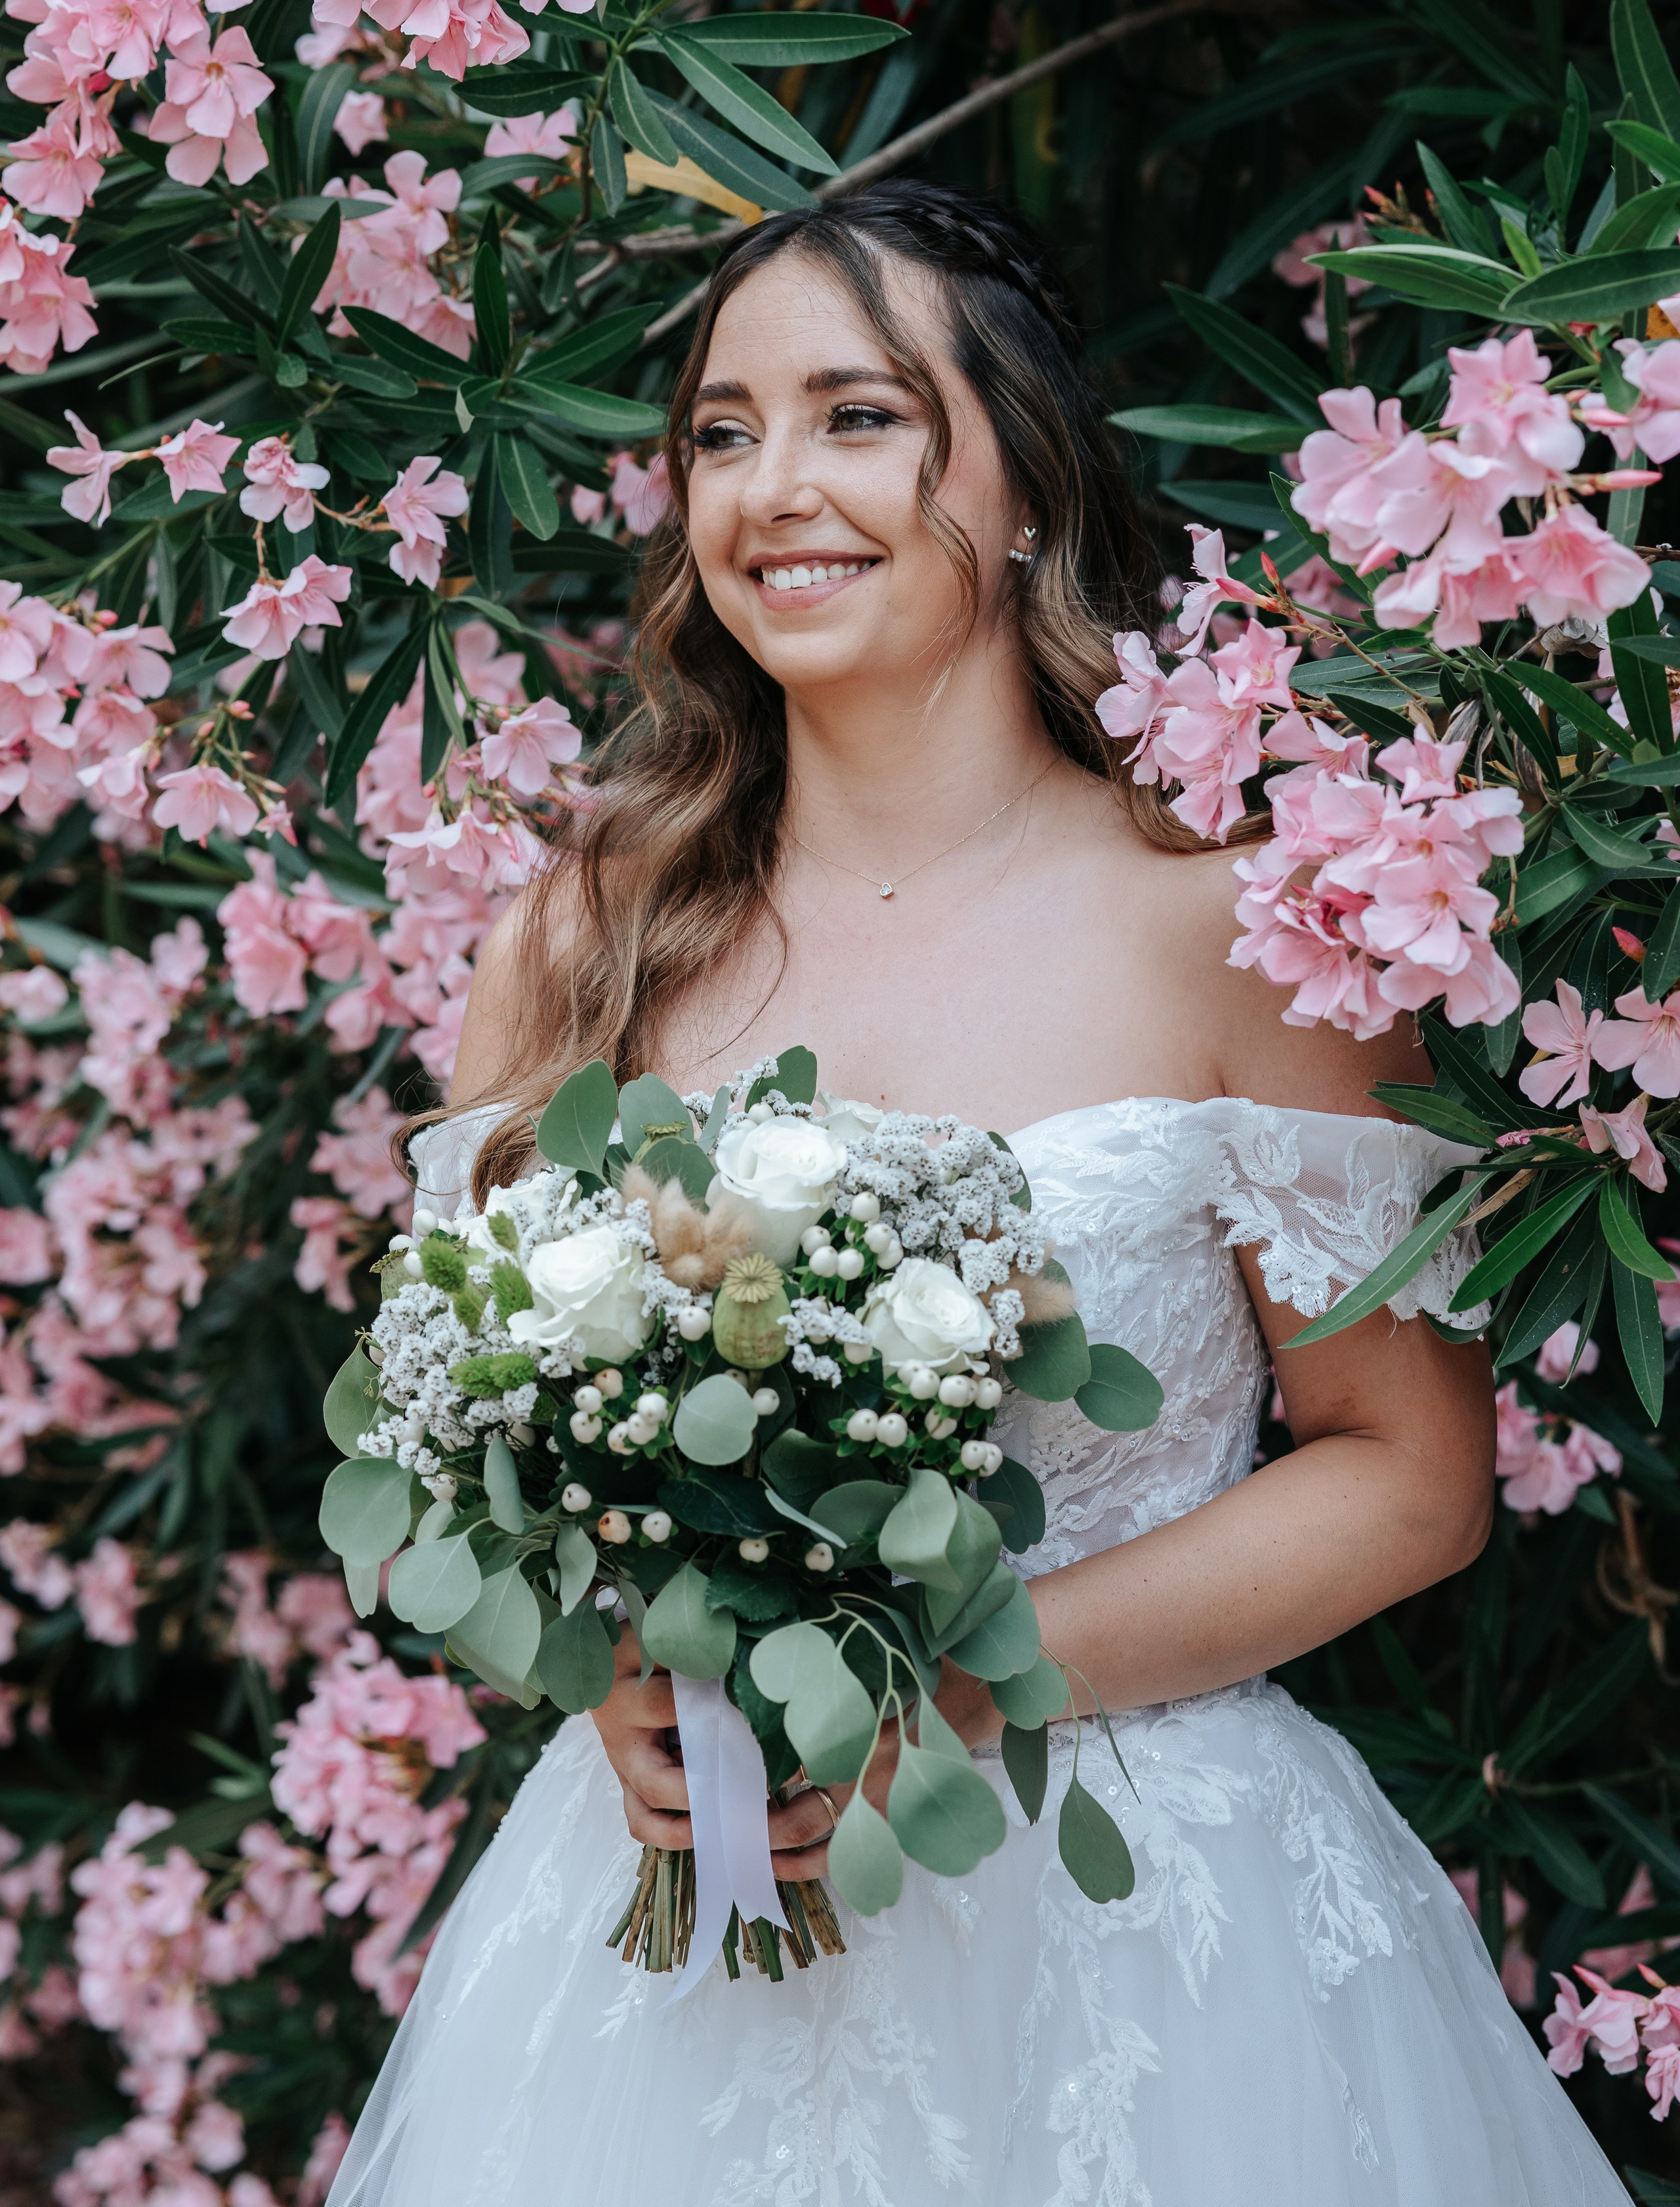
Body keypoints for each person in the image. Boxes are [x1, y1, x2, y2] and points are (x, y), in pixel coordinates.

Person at [328, 181, 1623, 2205]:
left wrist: (938, 1689)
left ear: (1026, 483)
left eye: (859, 416)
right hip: (680, 1943)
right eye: (723, 432)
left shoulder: (1238, 926)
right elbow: (461, 1456)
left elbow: (1409, 1475)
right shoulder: (588, 942)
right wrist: (603, 1684)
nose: (773, 488)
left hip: (1147, 1937)